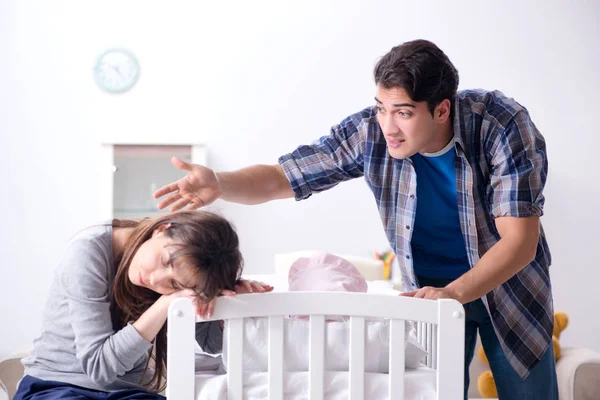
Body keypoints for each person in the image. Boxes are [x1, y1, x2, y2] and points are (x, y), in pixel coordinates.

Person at [153, 39, 557, 399]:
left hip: (510, 290)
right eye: (382, 108)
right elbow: (284, 177)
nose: (388, 126)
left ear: (441, 110)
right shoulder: (371, 132)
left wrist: (456, 292)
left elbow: (518, 241)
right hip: (429, 296)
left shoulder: (500, 125)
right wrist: (220, 184)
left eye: (403, 113)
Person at [14, 210, 272, 400]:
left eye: (174, 284)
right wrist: (167, 302)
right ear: (162, 228)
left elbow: (211, 344)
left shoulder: (166, 281)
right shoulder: (88, 253)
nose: (155, 279)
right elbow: (99, 367)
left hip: (128, 393)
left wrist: (221, 297)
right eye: (165, 260)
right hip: (55, 387)